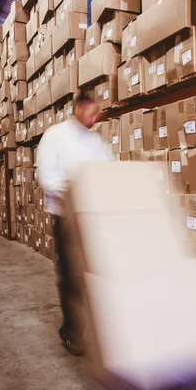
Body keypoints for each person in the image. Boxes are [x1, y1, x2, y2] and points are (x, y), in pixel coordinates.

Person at [37, 92, 112, 355]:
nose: (95, 116)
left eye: (97, 112)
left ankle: (99, 328)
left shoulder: (96, 142)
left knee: (98, 275)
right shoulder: (55, 136)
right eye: (92, 111)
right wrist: (77, 191)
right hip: (67, 219)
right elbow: (47, 177)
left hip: (95, 218)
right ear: (79, 108)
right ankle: (71, 332)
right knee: (72, 277)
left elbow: (109, 173)